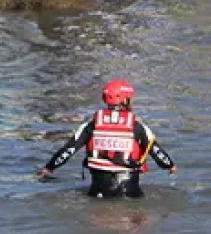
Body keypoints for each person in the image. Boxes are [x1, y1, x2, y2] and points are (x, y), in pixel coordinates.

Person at [37, 79, 177, 198]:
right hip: (129, 191)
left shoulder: (92, 125)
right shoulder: (137, 126)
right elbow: (157, 152)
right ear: (126, 100)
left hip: (98, 190)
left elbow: (68, 150)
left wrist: (49, 168)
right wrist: (170, 166)